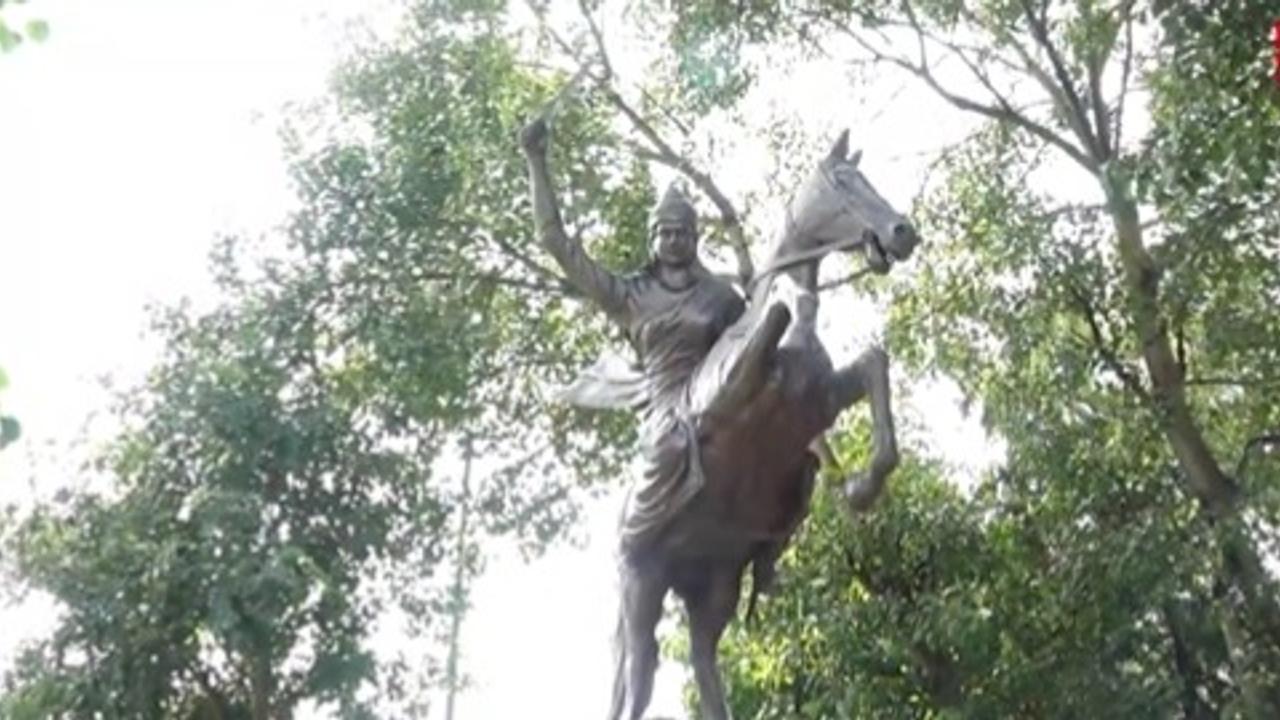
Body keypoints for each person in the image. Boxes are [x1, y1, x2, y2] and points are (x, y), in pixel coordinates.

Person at [519, 117, 747, 556]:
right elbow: (553, 241)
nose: (675, 239)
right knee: (665, 447)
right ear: (653, 239)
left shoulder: (721, 296)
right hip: (668, 405)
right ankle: (637, 545)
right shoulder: (629, 295)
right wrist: (536, 160)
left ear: (696, 238)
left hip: (720, 390)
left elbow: (750, 338)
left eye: (683, 232)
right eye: (666, 232)